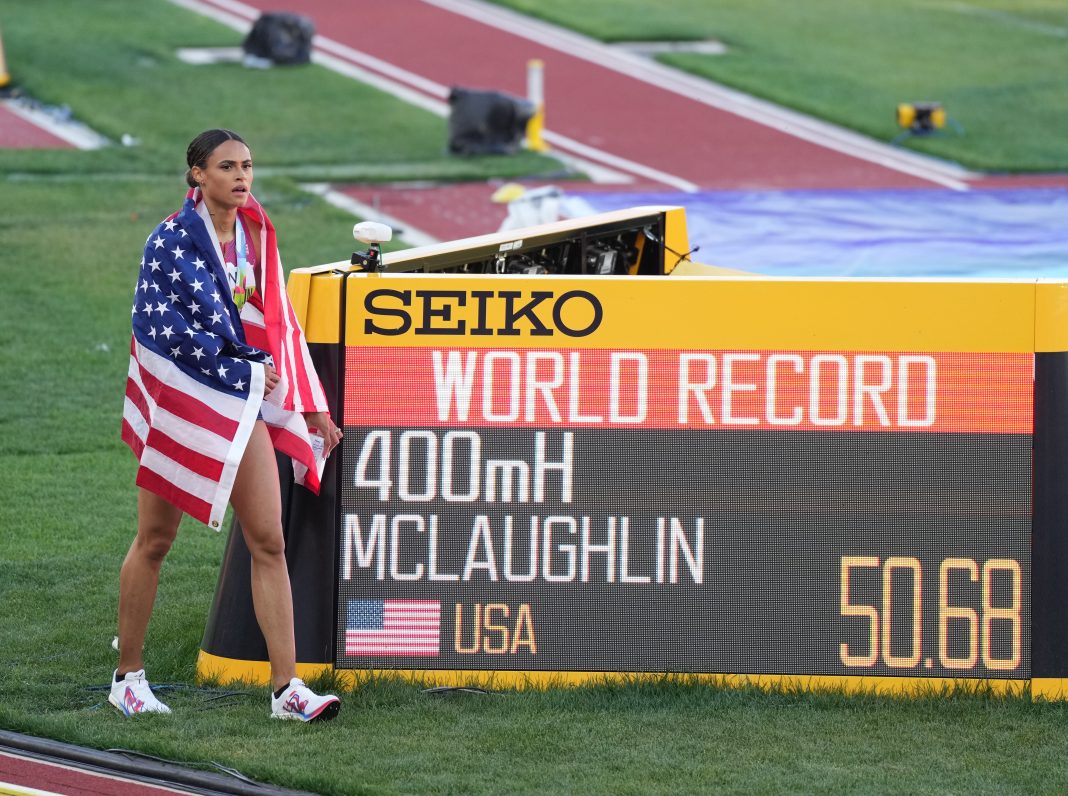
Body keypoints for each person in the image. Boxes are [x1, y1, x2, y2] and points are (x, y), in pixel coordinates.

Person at [114, 129, 342, 722]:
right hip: (183, 402)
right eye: (227, 167)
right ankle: (127, 677)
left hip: (242, 401)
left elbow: (281, 324)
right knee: (156, 540)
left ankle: (287, 691)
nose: (242, 178)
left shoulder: (256, 236)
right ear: (197, 175)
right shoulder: (169, 240)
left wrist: (309, 403)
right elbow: (158, 331)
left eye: (247, 166)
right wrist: (236, 368)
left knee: (269, 540)